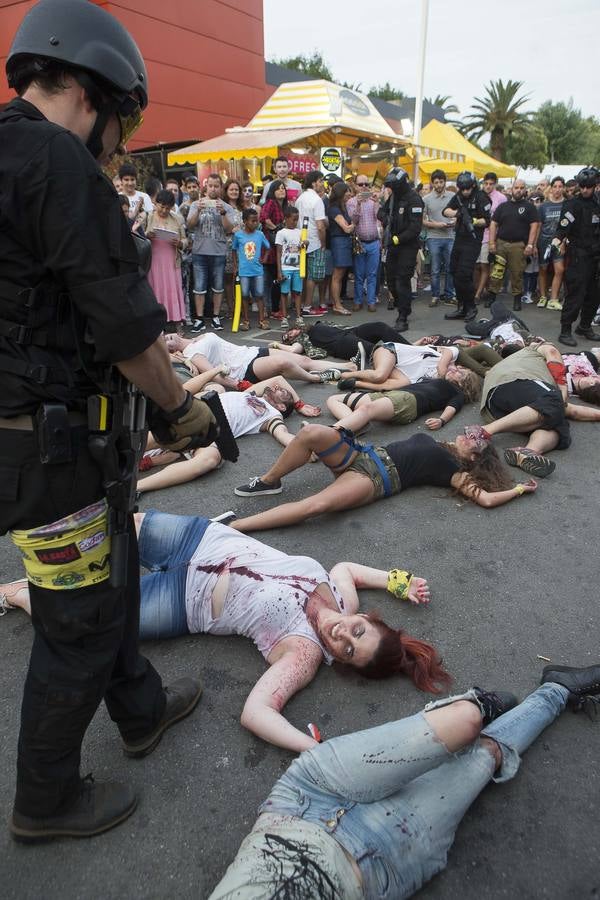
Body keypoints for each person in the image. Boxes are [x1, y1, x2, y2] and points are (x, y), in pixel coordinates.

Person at [0, 0, 228, 842]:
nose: (120, 147)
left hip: (35, 440)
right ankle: (46, 801)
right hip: (49, 448)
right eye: (122, 123)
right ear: (93, 95)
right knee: (77, 624)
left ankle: (140, 711)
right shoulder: (58, 164)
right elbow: (127, 327)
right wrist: (181, 409)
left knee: (113, 572)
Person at [2, 518, 440, 755]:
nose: (342, 634)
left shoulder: (304, 653)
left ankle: (16, 593)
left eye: (348, 651)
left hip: (183, 600)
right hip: (204, 540)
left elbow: (256, 711)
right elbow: (346, 568)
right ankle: (44, 558)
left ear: (343, 663)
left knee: (88, 618)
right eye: (358, 631)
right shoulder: (343, 601)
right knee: (105, 527)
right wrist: (397, 581)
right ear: (364, 617)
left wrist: (312, 748)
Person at [207, 663, 600, 899]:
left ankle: (479, 706)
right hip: (382, 860)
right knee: (485, 757)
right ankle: (556, 690)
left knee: (464, 723)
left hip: (305, 798)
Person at [232, 423, 536, 527]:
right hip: (362, 454)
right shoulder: (441, 444)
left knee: (316, 506)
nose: (469, 435)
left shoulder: (454, 470)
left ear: (474, 458)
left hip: (374, 479)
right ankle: (270, 481)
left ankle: (238, 526)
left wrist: (520, 489)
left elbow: (485, 499)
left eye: (475, 441)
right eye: (472, 433)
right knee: (311, 432)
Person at [138, 377, 311, 493]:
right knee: (214, 388)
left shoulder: (272, 415)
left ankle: (136, 488)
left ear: (282, 407)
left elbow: (283, 434)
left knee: (210, 460)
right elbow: (277, 379)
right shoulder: (251, 393)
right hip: (195, 415)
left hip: (210, 433)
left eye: (283, 392)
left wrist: (307, 442)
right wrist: (299, 404)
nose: (278, 387)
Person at [478, 341, 600, 478]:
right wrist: (563, 390)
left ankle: (527, 452)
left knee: (558, 423)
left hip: (496, 409)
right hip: (513, 380)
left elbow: (572, 411)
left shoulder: (543, 385)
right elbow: (552, 353)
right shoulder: (536, 351)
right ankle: (484, 431)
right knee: (555, 402)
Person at [165, 332, 354, 388]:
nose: (167, 340)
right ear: (171, 351)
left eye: (166, 336)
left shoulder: (199, 337)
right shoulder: (191, 353)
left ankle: (346, 367)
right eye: (165, 344)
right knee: (284, 364)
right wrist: (238, 385)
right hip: (244, 369)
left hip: (251, 351)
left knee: (303, 360)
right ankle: (316, 378)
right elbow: (212, 374)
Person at [333, 340, 482, 401]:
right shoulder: (449, 358)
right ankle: (346, 373)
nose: (455, 372)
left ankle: (357, 383)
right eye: (460, 371)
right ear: (461, 367)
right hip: (391, 352)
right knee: (379, 376)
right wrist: (443, 369)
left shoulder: (436, 384)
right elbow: (451, 350)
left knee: (396, 385)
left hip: (398, 370)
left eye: (459, 378)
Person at [552, 167, 600, 347]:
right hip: (578, 256)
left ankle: (585, 326)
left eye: (589, 186)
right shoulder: (572, 204)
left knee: (595, 295)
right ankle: (565, 330)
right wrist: (556, 242)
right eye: (583, 186)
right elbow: (562, 229)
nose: (586, 190)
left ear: (595, 186)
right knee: (575, 294)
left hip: (595, 257)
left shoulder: (598, 204)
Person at [327, 376, 467, 434]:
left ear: (466, 383)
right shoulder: (436, 378)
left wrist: (441, 420)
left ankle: (330, 434)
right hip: (389, 394)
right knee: (334, 399)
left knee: (366, 409)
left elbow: (452, 407)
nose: (455, 369)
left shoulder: (458, 392)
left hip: (408, 401)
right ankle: (353, 426)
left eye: (461, 372)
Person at [187, 172, 235, 333]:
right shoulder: (196, 204)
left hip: (219, 251)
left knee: (218, 286)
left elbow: (229, 229)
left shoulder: (226, 207)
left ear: (221, 188)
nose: (213, 189)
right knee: (199, 286)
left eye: (216, 186)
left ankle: (215, 316)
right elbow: (190, 225)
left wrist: (222, 213)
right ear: (205, 186)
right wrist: (198, 211)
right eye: (210, 186)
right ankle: (199, 319)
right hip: (199, 251)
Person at [442, 171, 492, 323]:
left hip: (473, 240)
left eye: (467, 188)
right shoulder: (458, 196)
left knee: (464, 274)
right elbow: (445, 211)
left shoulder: (482, 197)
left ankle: (471, 307)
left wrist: (475, 221)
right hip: (459, 238)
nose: (465, 191)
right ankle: (461, 307)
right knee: (454, 271)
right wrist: (458, 213)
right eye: (462, 188)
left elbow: (488, 220)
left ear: (474, 185)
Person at [378, 167, 424, 332]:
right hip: (392, 245)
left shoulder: (415, 199)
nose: (392, 188)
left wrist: (398, 238)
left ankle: (402, 317)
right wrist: (386, 219)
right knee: (390, 280)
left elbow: (415, 228)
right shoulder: (392, 197)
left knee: (402, 280)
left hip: (407, 246)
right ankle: (403, 305)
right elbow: (380, 212)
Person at [488, 179, 540, 312]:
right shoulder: (503, 206)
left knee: (517, 274)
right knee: (496, 272)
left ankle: (517, 299)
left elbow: (535, 225)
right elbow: (493, 224)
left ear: (525, 190)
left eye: (522, 187)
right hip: (501, 243)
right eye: (516, 187)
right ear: (512, 189)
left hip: (518, 245)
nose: (519, 190)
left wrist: (530, 245)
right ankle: (492, 297)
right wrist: (492, 242)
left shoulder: (529, 207)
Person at [146, 189, 187, 330]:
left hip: (171, 260)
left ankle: (177, 323)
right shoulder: (148, 217)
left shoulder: (176, 218)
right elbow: (138, 236)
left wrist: (180, 243)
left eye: (167, 208)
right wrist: (147, 235)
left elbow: (185, 239)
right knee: (156, 289)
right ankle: (158, 326)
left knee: (173, 290)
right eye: (161, 206)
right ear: (155, 203)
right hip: (154, 260)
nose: (164, 210)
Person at [295, 171, 329, 317]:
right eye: (320, 181)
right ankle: (308, 307)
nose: (322, 184)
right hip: (314, 241)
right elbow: (320, 226)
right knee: (313, 277)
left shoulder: (300, 199)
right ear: (314, 183)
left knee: (304, 274)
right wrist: (323, 242)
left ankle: (303, 304)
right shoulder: (317, 200)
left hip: (301, 240)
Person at [231, 208, 272, 330]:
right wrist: (235, 265)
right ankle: (246, 320)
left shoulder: (259, 234)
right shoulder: (238, 235)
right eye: (253, 221)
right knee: (244, 295)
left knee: (259, 294)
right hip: (244, 271)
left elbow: (268, 247)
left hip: (257, 270)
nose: (256, 223)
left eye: (257, 221)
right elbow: (233, 250)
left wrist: (264, 258)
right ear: (245, 221)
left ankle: (262, 320)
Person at [347, 174, 382, 311]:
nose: (364, 187)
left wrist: (377, 202)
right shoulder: (351, 202)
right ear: (355, 186)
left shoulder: (373, 201)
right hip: (359, 242)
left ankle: (371, 301)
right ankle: (358, 300)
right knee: (359, 274)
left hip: (374, 242)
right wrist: (359, 204)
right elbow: (353, 220)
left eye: (366, 184)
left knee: (372, 274)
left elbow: (379, 218)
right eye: (361, 184)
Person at [422, 169, 455, 307]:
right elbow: (422, 221)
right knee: (435, 268)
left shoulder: (453, 196)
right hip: (433, 236)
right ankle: (435, 295)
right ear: (432, 183)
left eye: (441, 182)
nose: (439, 185)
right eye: (436, 182)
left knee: (450, 267)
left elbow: (459, 214)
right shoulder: (426, 199)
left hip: (450, 236)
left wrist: (454, 222)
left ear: (445, 182)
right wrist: (436, 225)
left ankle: (449, 295)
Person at [476, 171, 507, 304]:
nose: (488, 186)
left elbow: (502, 220)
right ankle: (481, 290)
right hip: (476, 235)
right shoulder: (477, 195)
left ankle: (478, 294)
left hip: (490, 236)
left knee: (485, 265)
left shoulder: (501, 198)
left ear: (495, 184)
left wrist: (494, 240)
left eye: (491, 184)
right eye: (486, 183)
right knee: (476, 266)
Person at [259, 179, 288, 319]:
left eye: (283, 188)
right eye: (279, 188)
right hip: (269, 248)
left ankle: (274, 309)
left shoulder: (284, 206)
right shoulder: (270, 203)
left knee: (277, 280)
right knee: (268, 281)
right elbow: (263, 218)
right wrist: (277, 229)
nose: (282, 190)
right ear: (272, 191)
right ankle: (266, 309)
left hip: (279, 247)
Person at [537, 177, 566, 310]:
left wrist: (564, 242)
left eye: (560, 186)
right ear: (551, 188)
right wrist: (533, 244)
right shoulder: (544, 206)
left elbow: (569, 227)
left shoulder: (567, 205)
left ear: (563, 188)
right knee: (543, 269)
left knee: (559, 269)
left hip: (559, 242)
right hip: (544, 241)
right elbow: (538, 226)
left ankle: (553, 299)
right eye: (555, 186)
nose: (557, 189)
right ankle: (543, 296)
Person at [328, 182, 355, 315]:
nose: (349, 194)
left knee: (339, 275)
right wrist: (355, 223)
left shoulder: (341, 207)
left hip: (342, 242)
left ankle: (336, 303)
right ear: (341, 193)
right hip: (339, 242)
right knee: (337, 276)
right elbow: (346, 228)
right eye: (347, 192)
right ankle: (337, 304)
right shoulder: (334, 209)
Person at [275, 205, 305, 326]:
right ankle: (284, 316)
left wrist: (305, 243)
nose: (295, 221)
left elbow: (303, 248)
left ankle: (298, 316)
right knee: (284, 293)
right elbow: (278, 252)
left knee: (297, 292)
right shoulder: (281, 233)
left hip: (298, 267)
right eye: (293, 219)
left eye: (297, 219)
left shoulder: (300, 232)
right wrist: (279, 271)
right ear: (286, 218)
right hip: (286, 267)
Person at [222, 178, 244, 321]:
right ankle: (231, 308)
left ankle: (242, 307)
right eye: (231, 189)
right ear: (226, 191)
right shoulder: (223, 207)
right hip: (227, 246)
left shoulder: (243, 208)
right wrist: (232, 229)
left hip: (242, 246)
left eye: (236, 189)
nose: (234, 192)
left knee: (242, 278)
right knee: (229, 279)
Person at [118, 160, 154, 225]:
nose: (130, 183)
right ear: (121, 181)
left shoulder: (144, 197)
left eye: (132, 179)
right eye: (126, 180)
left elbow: (151, 218)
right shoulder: (117, 197)